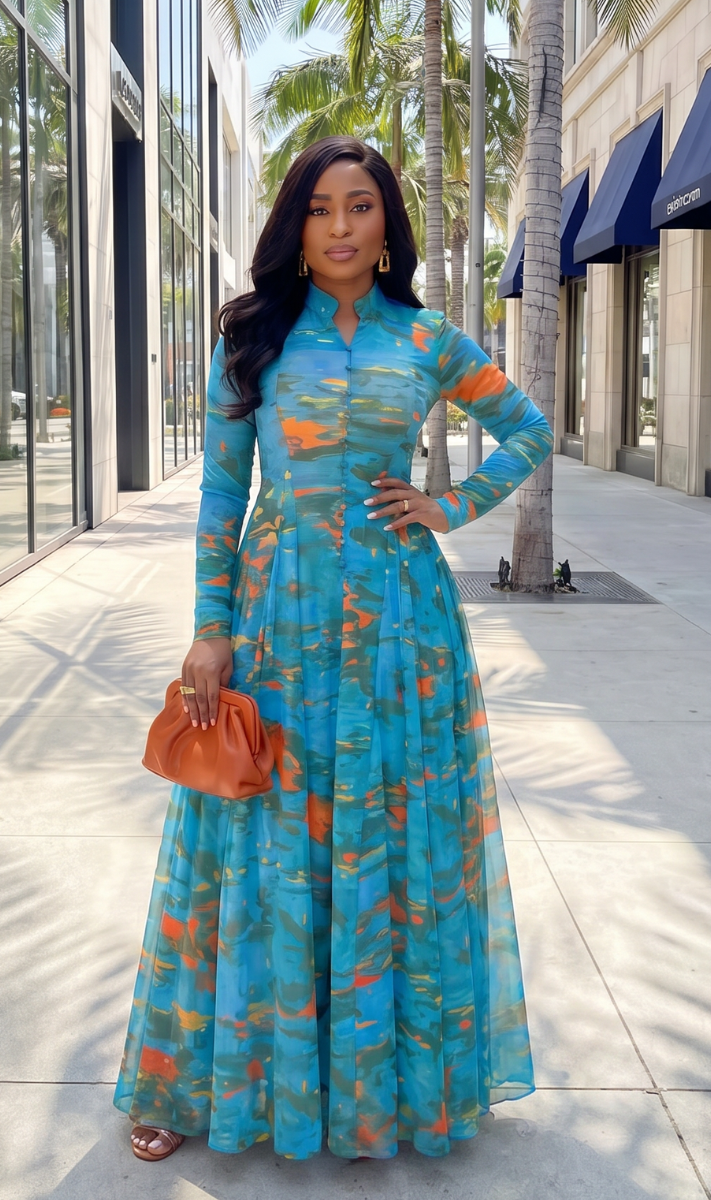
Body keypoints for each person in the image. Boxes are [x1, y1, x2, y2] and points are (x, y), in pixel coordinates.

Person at [114, 135, 553, 1163]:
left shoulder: (428, 338)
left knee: (390, 838)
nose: (342, 227)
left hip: (400, 623)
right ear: (296, 228)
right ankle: (191, 1084)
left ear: (385, 224)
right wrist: (209, 628)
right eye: (320, 209)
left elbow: (527, 429)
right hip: (275, 619)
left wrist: (451, 507)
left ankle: (380, 1091)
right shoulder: (255, 337)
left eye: (360, 206)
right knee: (252, 839)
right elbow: (225, 492)